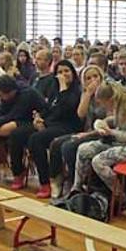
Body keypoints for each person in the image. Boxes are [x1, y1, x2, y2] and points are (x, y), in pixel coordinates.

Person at [66, 82, 126, 201]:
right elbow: (119, 121)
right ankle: (77, 188)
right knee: (83, 149)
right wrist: (102, 123)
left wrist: (112, 133)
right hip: (118, 142)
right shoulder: (119, 102)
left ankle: (122, 197)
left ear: (110, 99)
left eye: (104, 104)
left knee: (98, 162)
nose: (104, 107)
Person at [27, 60, 83, 199]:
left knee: (37, 139)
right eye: (59, 72)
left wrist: (63, 87)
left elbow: (66, 110)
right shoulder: (55, 88)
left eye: (66, 71)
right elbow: (50, 108)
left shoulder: (77, 90)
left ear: (72, 73)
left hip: (69, 126)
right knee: (24, 133)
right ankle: (41, 177)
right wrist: (40, 119)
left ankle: (50, 180)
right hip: (53, 124)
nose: (63, 74)